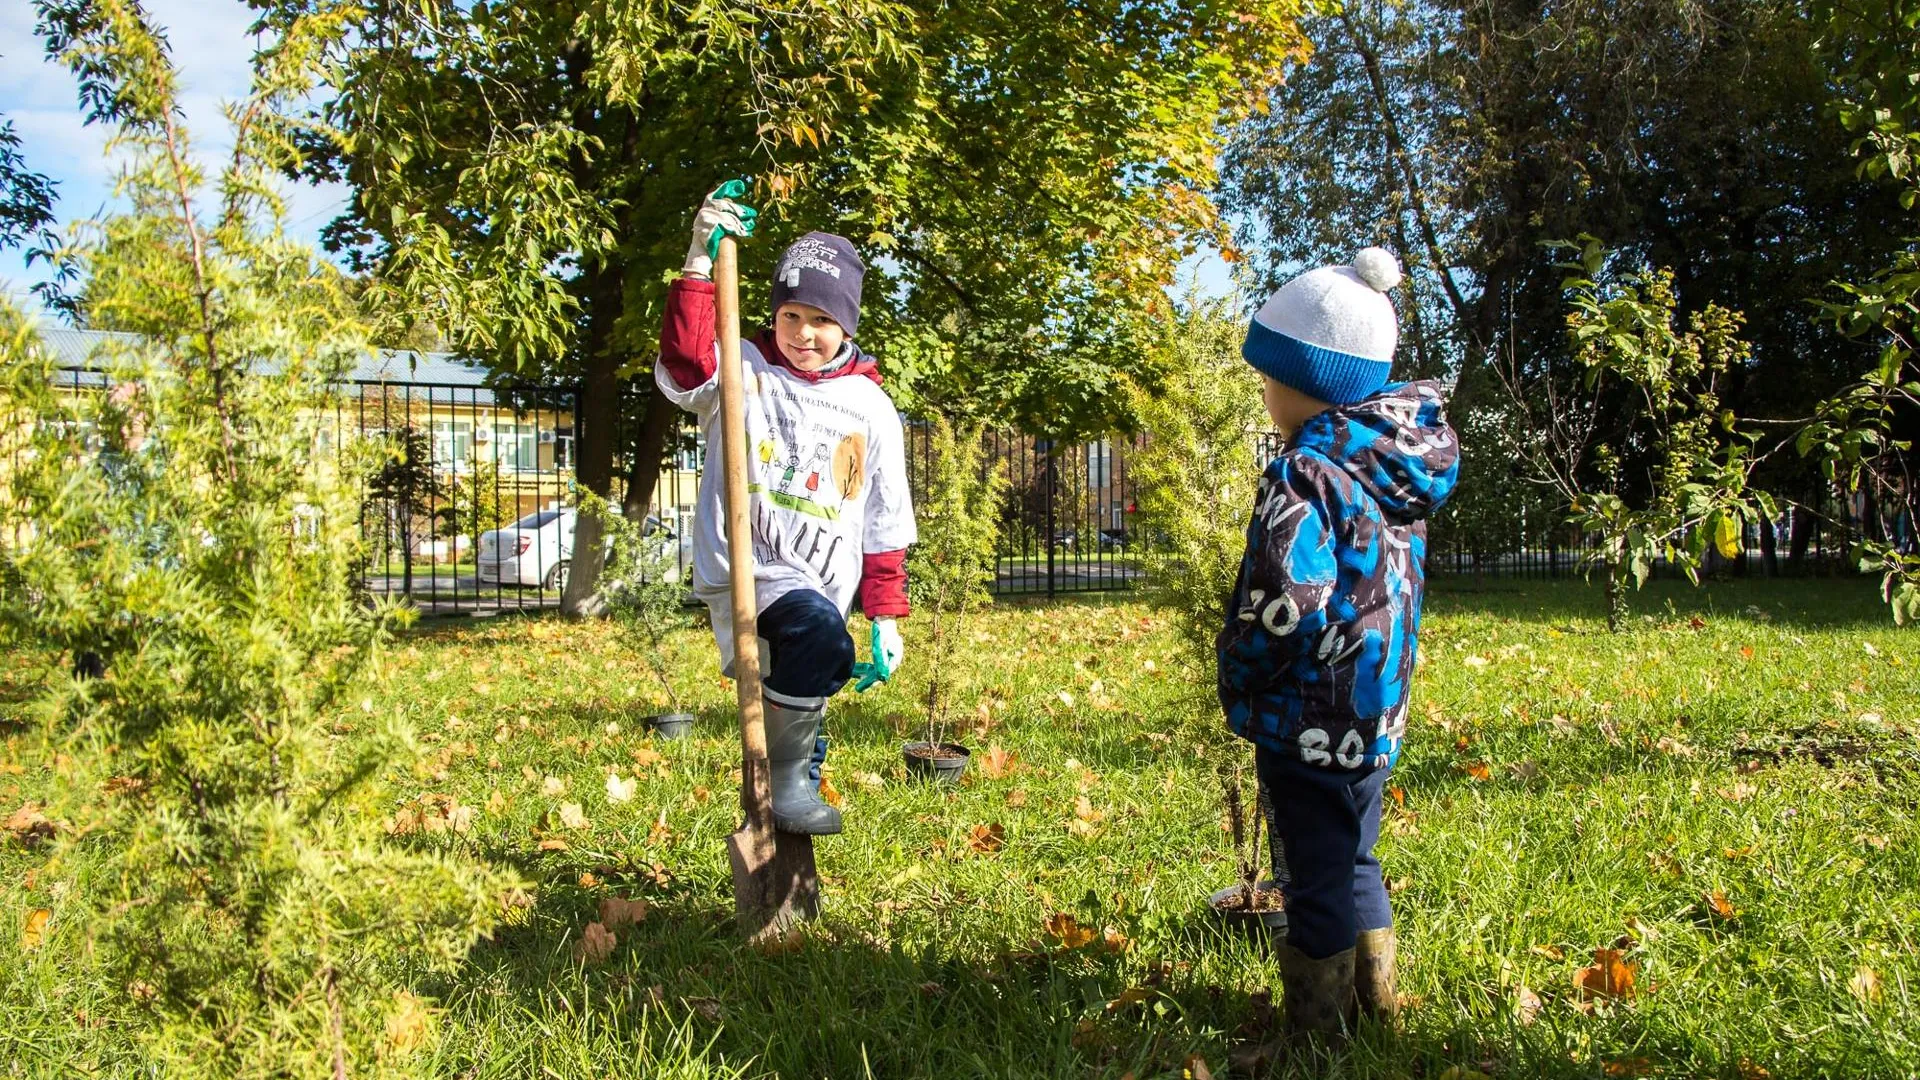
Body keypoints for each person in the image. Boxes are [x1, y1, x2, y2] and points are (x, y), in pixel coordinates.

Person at [1216, 248, 1460, 1047]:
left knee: (1313, 876)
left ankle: (1316, 1039)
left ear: (1308, 382)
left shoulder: (1305, 474)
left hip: (1307, 717)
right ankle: (1377, 1007)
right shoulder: (1392, 470)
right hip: (1374, 713)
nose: (1263, 391)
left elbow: (1288, 602)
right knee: (1357, 859)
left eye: (1269, 376)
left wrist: (1240, 672)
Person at [655, 185, 916, 836]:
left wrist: (884, 615)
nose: (804, 333)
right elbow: (687, 367)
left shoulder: (870, 406)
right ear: (774, 313)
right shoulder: (742, 366)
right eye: (792, 315)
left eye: (822, 321)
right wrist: (697, 263)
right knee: (816, 636)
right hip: (752, 568)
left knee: (821, 656)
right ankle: (788, 784)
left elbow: (884, 518)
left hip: (826, 585)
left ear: (847, 326)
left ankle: (791, 807)